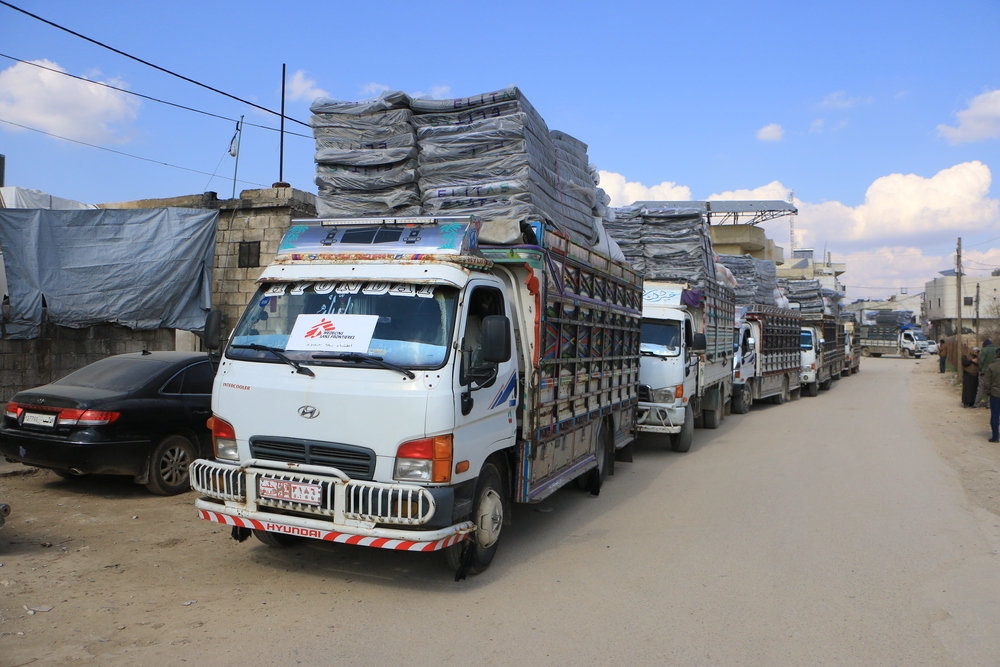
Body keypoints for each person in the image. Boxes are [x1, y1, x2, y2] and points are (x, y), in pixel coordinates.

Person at [981, 353, 1000, 442]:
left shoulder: (991, 366)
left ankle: (995, 437)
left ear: (996, 355)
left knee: (995, 416)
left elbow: (986, 381)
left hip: (995, 393)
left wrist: (988, 392)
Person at [976, 339, 996, 406]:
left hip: (984, 372)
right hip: (994, 372)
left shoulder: (984, 350)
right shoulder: (996, 349)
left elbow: (981, 361)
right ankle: (989, 404)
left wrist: (980, 369)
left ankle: (977, 403)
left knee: (981, 387)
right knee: (992, 388)